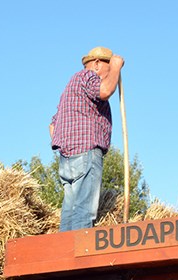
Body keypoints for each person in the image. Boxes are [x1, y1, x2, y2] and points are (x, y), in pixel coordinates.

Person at [50, 46, 124, 232]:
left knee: (70, 210)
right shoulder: (88, 77)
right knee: (84, 210)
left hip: (68, 158)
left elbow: (52, 126)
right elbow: (105, 90)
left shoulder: (70, 87)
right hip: (86, 153)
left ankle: (64, 253)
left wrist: (69, 144)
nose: (108, 73)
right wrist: (116, 67)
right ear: (98, 64)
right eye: (107, 66)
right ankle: (79, 257)